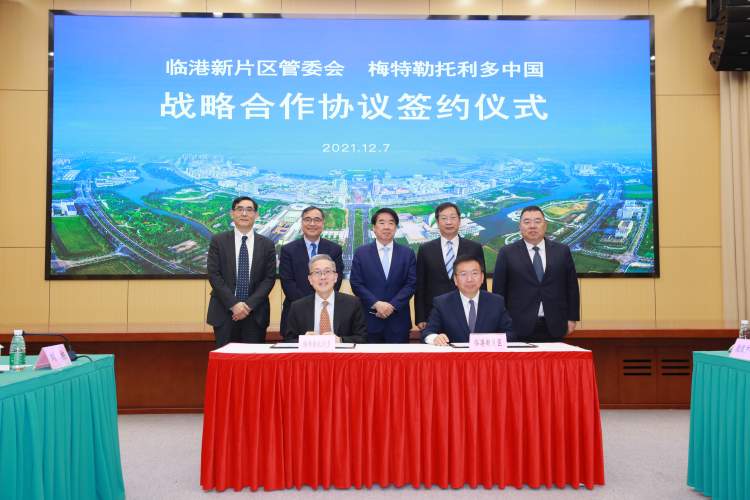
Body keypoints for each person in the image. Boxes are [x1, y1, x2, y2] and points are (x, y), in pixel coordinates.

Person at [492, 205, 580, 342]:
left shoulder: (562, 251)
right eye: (527, 222)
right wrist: (501, 322)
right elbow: (499, 291)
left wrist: (572, 318)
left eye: (537, 221)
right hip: (517, 326)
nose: (532, 226)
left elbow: (572, 287)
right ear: (520, 226)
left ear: (545, 225)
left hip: (555, 324)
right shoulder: (507, 253)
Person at [206, 196, 277, 347]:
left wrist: (248, 306)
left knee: (253, 360)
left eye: (249, 210)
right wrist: (234, 304)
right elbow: (214, 275)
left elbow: (269, 278)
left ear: (256, 215)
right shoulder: (218, 241)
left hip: (255, 313)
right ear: (232, 213)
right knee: (226, 359)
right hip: (225, 312)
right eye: (240, 209)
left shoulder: (267, 245)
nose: (244, 214)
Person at [415, 202, 486, 330]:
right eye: (444, 218)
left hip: (467, 312)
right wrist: (420, 317)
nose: (449, 222)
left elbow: (482, 283)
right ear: (437, 222)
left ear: (459, 221)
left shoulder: (474, 248)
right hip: (434, 313)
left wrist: (483, 312)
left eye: (453, 217)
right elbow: (420, 285)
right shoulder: (425, 249)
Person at [350, 207, 417, 343]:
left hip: (398, 322)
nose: (386, 227)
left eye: (391, 223)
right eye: (381, 222)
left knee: (398, 357)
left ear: (396, 228)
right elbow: (356, 283)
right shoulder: (361, 253)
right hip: (369, 321)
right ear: (374, 228)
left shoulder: (407, 253)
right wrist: (376, 303)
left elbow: (411, 284)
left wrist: (392, 306)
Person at [279, 206, 344, 337]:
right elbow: (287, 283)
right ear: (302, 222)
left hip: (327, 310)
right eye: (307, 219)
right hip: (296, 313)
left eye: (317, 220)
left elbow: (336, 281)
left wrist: (320, 303)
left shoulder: (334, 249)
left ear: (323, 223)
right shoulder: (288, 250)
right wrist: (309, 305)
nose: (312, 224)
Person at [422, 255, 513, 345]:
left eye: (474, 273)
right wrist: (435, 338)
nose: (469, 279)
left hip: (487, 354)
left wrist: (489, 341)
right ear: (455, 279)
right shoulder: (442, 303)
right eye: (463, 274)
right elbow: (428, 332)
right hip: (455, 354)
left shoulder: (496, 302)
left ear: (482, 277)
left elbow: (510, 333)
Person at [284, 254, 366, 343]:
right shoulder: (297, 307)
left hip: (339, 352)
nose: (323, 277)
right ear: (310, 279)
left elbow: (362, 338)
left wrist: (340, 340)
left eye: (327, 271)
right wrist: (304, 340)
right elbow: (289, 340)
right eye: (317, 272)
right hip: (310, 352)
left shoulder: (353, 304)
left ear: (335, 277)